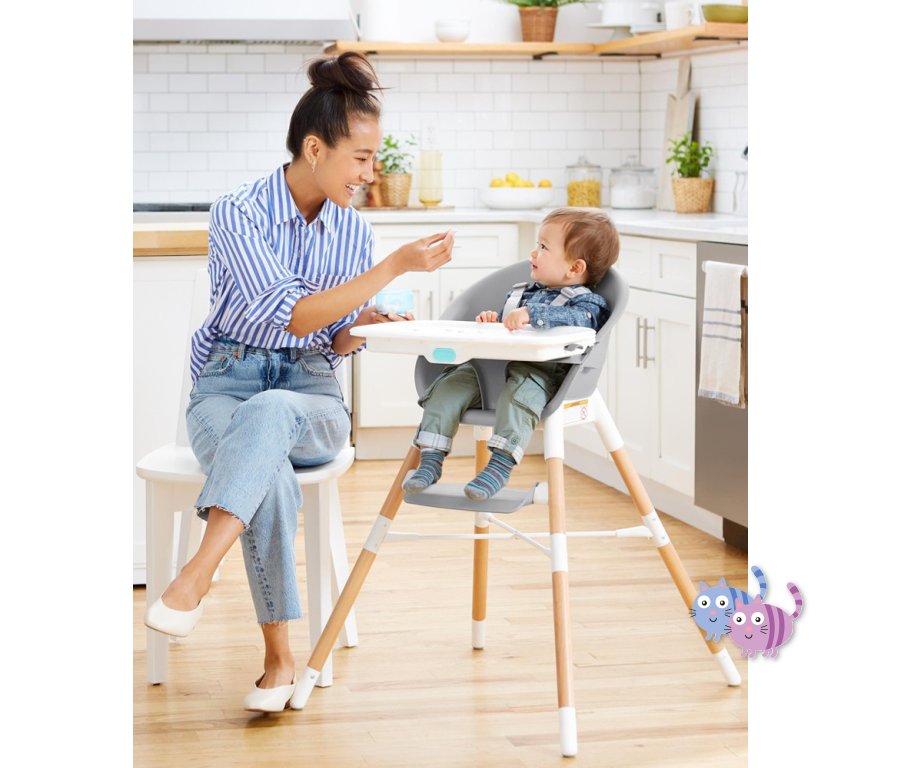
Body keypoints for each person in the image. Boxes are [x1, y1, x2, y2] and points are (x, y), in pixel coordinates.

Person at [143, 52, 455, 712]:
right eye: (361, 158)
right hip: (226, 385)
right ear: (315, 149)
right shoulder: (239, 212)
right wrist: (394, 267)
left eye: (374, 160)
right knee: (271, 469)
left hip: (311, 393)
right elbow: (289, 313)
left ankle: (195, 575)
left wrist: (363, 324)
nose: (370, 174)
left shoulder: (353, 232)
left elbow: (327, 336)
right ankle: (280, 661)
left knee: (276, 412)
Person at [402, 208, 619, 501]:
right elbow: (506, 330)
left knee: (521, 395)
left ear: (575, 267)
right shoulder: (521, 293)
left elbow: (583, 323)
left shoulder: (586, 303)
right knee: (448, 386)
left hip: (538, 378)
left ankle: (500, 466)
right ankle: (430, 459)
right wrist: (492, 322)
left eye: (544, 247)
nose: (534, 252)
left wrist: (532, 314)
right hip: (488, 372)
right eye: (537, 244)